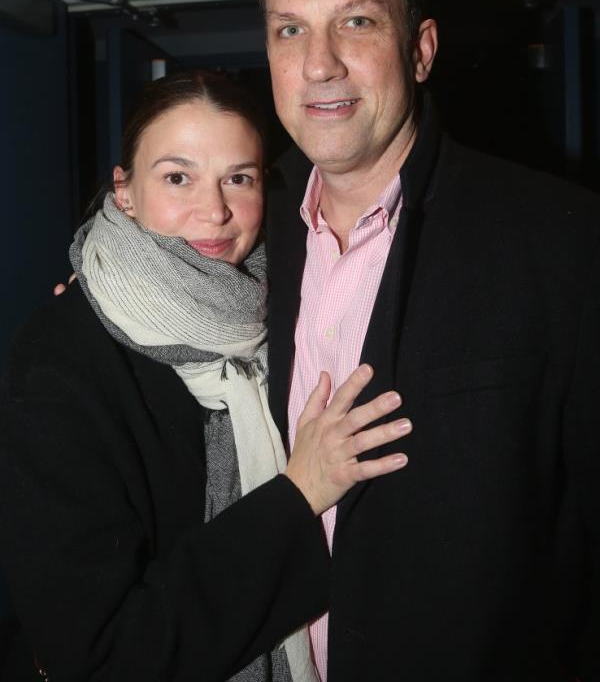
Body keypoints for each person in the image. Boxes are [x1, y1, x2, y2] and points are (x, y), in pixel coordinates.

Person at [241, 0, 600, 682]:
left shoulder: (563, 242)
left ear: (422, 47)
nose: (320, 62)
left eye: (357, 22)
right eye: (290, 28)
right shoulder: (244, 241)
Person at [0, 70, 413, 681]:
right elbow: (100, 656)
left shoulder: (287, 309)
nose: (215, 210)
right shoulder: (61, 358)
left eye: (238, 178)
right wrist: (299, 495)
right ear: (124, 191)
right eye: (177, 177)